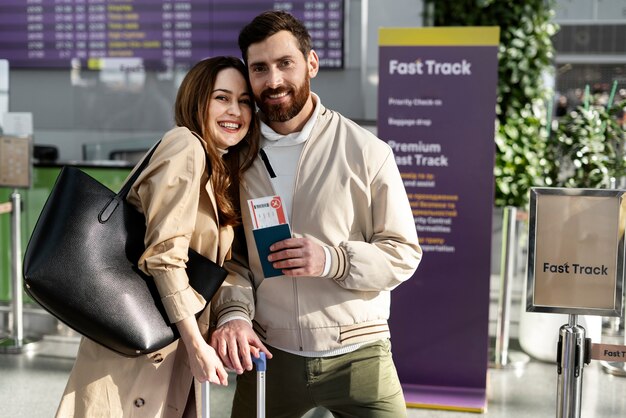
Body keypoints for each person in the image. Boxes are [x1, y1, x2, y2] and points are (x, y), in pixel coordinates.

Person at [210, 11, 422, 418]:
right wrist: (234, 314)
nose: (273, 81)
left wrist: (333, 259)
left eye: (284, 63)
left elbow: (403, 253)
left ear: (311, 63)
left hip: (360, 355)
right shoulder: (235, 159)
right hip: (269, 356)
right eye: (259, 68)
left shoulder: (367, 152)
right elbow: (232, 259)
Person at [55, 56, 260, 417]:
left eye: (244, 101)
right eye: (222, 98)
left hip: (161, 345)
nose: (235, 110)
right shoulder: (186, 146)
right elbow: (165, 255)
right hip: (139, 355)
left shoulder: (218, 167)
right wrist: (197, 346)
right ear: (197, 100)